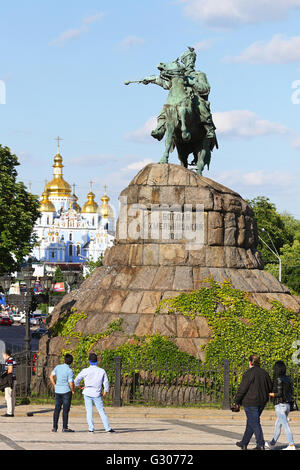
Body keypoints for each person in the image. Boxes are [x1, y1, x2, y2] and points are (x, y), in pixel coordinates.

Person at [234, 354, 272, 450]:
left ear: (250, 362)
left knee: (255, 423)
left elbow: (243, 388)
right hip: (262, 402)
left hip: (250, 402)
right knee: (251, 422)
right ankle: (244, 442)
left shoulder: (248, 373)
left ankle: (260, 444)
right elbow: (270, 387)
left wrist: (236, 401)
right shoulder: (265, 373)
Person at [74, 353, 115, 433]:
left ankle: (91, 428)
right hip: (96, 392)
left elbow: (76, 380)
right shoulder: (101, 371)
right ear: (97, 361)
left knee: (89, 411)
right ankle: (107, 428)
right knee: (101, 410)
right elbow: (106, 382)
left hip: (87, 391)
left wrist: (79, 386)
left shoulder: (85, 370)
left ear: (89, 361)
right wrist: (105, 391)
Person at [265, 361, 296, 450]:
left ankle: (291, 445)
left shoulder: (278, 379)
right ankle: (272, 443)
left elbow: (278, 393)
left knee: (285, 425)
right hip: (287, 406)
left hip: (280, 406)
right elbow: (291, 392)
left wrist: (270, 394)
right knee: (278, 425)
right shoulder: (288, 379)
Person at [50, 353, 75, 432]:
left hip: (58, 391)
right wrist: (73, 390)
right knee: (65, 410)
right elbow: (71, 383)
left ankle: (54, 427)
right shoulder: (69, 370)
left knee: (57, 409)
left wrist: (54, 384)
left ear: (64, 360)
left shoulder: (58, 367)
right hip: (66, 391)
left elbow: (51, 376)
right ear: (71, 362)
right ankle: (65, 427)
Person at [1, 349, 17, 417]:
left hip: (9, 381)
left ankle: (9, 412)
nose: (3, 356)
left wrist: (3, 374)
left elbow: (10, 370)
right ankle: (12, 412)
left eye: (3, 355)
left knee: (8, 397)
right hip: (13, 379)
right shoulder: (13, 360)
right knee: (12, 396)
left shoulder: (9, 360)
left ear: (6, 354)